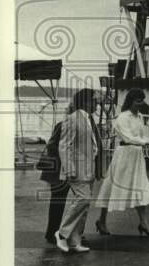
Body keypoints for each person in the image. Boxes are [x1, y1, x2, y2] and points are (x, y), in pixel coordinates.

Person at [93, 89, 149, 236]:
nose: (141, 103)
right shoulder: (122, 118)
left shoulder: (140, 117)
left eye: (142, 100)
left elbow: (141, 135)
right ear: (130, 101)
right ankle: (102, 220)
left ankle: (144, 223)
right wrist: (147, 142)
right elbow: (128, 138)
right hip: (124, 155)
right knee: (112, 187)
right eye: (138, 101)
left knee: (140, 187)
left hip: (136, 156)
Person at [55, 88, 103, 254]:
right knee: (83, 199)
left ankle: (75, 241)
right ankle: (62, 233)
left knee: (85, 205)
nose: (97, 105)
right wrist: (69, 169)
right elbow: (64, 145)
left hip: (88, 169)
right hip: (76, 169)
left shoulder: (88, 119)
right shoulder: (72, 119)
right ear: (86, 101)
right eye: (95, 101)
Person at [38, 105, 72, 245]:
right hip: (58, 168)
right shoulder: (64, 125)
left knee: (59, 200)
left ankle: (54, 232)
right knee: (58, 200)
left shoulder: (64, 125)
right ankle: (52, 233)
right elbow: (52, 146)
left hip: (60, 168)